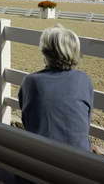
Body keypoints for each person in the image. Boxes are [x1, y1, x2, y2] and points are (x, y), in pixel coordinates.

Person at [18, 24, 94, 152]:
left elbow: (28, 120)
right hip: (80, 159)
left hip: (42, 158)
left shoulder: (31, 81)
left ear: (45, 52)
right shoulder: (84, 80)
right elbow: (84, 122)